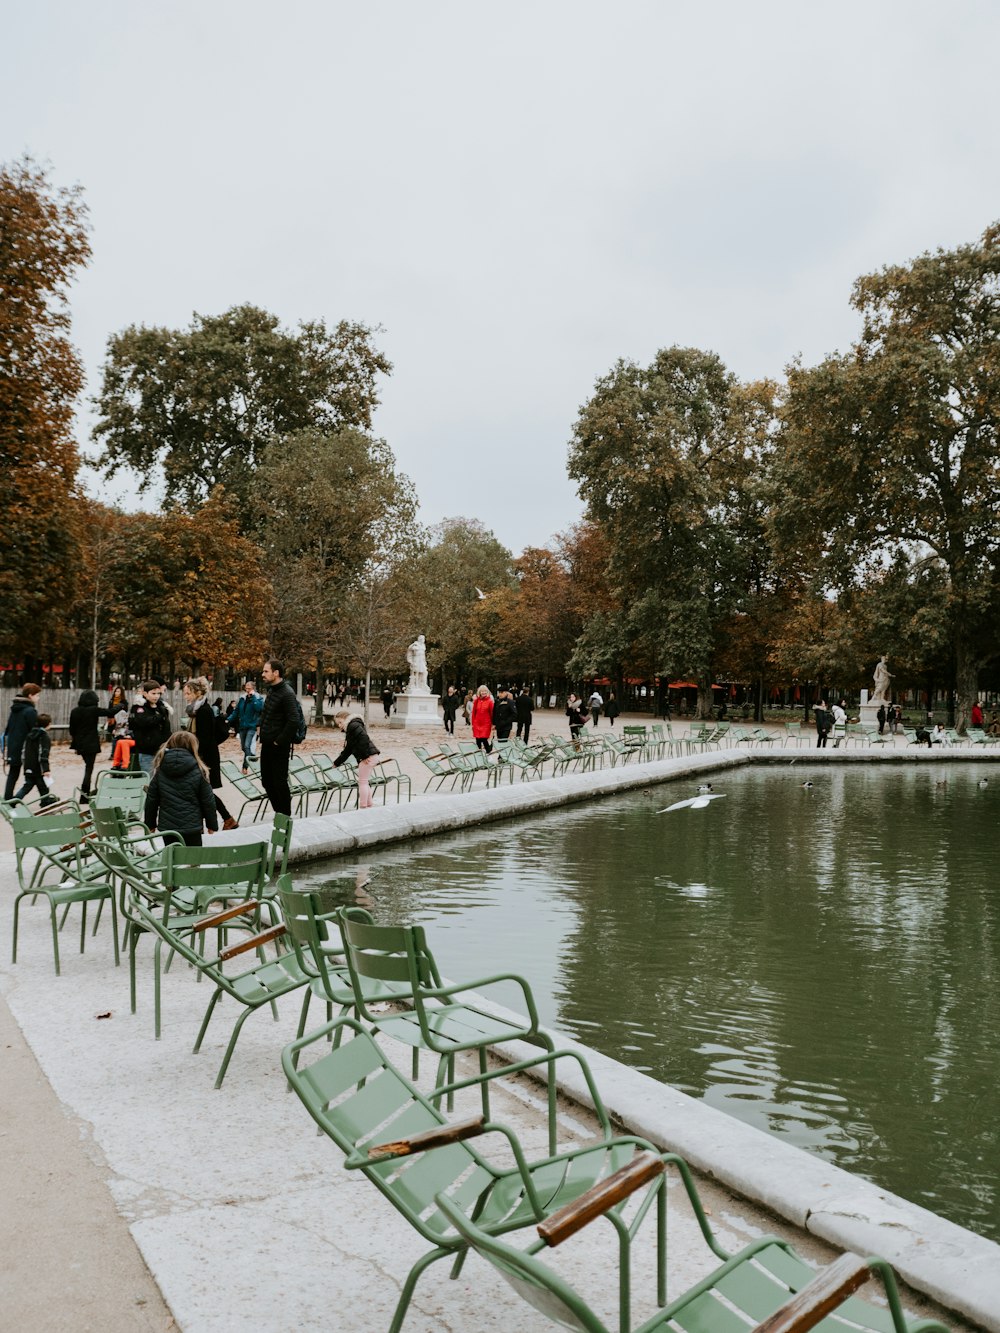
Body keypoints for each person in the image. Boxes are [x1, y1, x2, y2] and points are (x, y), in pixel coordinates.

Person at [144, 730, 218, 846]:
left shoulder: (160, 770)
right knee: (193, 859)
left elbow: (151, 800)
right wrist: (211, 824)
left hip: (168, 827)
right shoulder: (199, 770)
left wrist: (150, 824)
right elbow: (208, 801)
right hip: (192, 825)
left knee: (173, 859)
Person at [183, 676, 238, 829]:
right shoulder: (197, 711)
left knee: (204, 792)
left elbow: (204, 739)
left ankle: (221, 820)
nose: (185, 697)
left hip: (205, 758)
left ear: (196, 692)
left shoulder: (204, 711)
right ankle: (225, 819)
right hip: (201, 756)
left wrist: (194, 755)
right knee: (203, 792)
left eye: (188, 693)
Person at [258, 659, 298, 816]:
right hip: (267, 743)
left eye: (266, 671)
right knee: (267, 781)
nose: (263, 674)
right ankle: (279, 813)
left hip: (278, 745)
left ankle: (285, 816)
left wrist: (279, 740)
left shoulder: (287, 693)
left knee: (279, 782)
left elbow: (293, 720)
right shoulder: (272, 690)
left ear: (276, 673)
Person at [68, 689, 117, 803]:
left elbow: (72, 729)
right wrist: (121, 705)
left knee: (88, 767)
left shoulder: (75, 711)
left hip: (79, 743)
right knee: (89, 769)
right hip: (91, 742)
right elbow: (110, 712)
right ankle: (84, 796)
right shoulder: (93, 710)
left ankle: (85, 795)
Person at [333, 709, 381, 809]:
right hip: (372, 755)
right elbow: (348, 749)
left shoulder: (352, 726)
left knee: (362, 782)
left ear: (345, 719)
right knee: (365, 781)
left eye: (340, 722)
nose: (339, 725)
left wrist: (364, 755)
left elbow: (364, 737)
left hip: (368, 756)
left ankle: (363, 805)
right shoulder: (353, 726)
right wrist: (337, 763)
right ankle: (368, 804)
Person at [3, 682, 42, 800]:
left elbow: (9, 728)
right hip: (25, 747)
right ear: (30, 695)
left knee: (13, 773)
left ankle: (8, 797)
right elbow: (34, 730)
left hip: (13, 745)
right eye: (37, 695)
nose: (38, 698)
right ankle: (44, 797)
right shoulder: (30, 711)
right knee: (34, 772)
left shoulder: (15, 710)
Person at [129, 679, 172, 775]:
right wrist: (160, 716)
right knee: (149, 781)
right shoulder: (139, 708)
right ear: (145, 693)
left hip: (162, 750)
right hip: (146, 752)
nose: (156, 696)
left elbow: (166, 728)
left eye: (158, 693)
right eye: (153, 693)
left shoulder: (161, 707)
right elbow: (144, 722)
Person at [15, 712, 57, 806]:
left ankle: (15, 800)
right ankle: (45, 801)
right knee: (43, 786)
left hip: (28, 765)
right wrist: (45, 769)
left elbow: (24, 751)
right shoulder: (44, 737)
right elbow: (43, 754)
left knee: (28, 785)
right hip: (38, 767)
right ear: (48, 724)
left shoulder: (29, 735)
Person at [229, 680, 264, 773]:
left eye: (249, 686)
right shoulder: (242, 698)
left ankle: (245, 767)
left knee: (247, 745)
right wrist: (228, 719)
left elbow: (259, 709)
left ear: (253, 687)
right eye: (246, 686)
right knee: (243, 748)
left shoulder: (258, 698)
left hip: (252, 726)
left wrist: (253, 697)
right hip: (242, 726)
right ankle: (252, 756)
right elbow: (236, 711)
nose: (247, 687)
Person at [105, 684, 128, 757]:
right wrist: (109, 719)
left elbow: (125, 712)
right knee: (114, 737)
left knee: (118, 738)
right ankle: (114, 753)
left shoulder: (124, 702)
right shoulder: (111, 701)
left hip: (120, 722)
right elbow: (109, 711)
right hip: (113, 721)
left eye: (118, 691)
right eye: (116, 691)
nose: (116, 693)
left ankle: (114, 754)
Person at [471, 685, 494, 753]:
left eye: (485, 691)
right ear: (479, 692)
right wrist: (473, 723)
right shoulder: (476, 701)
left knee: (484, 739)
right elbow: (474, 713)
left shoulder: (490, 701)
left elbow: (492, 713)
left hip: (486, 723)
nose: (483, 692)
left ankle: (488, 751)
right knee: (478, 739)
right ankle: (479, 753)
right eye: (482, 691)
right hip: (477, 723)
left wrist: (493, 723)